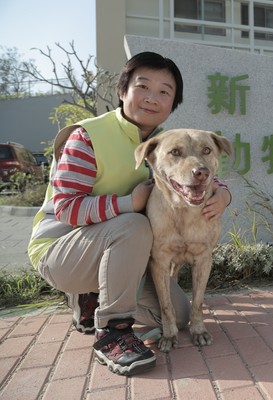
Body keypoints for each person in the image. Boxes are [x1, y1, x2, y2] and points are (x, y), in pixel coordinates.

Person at [28, 51, 231, 376]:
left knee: (178, 318)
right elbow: (65, 208)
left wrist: (223, 193)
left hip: (121, 255)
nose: (153, 98)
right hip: (63, 252)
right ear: (122, 91)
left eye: (165, 91)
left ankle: (97, 296)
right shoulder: (87, 138)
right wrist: (128, 204)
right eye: (143, 87)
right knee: (134, 225)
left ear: (173, 102)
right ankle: (113, 331)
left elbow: (190, 168)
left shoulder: (164, 142)